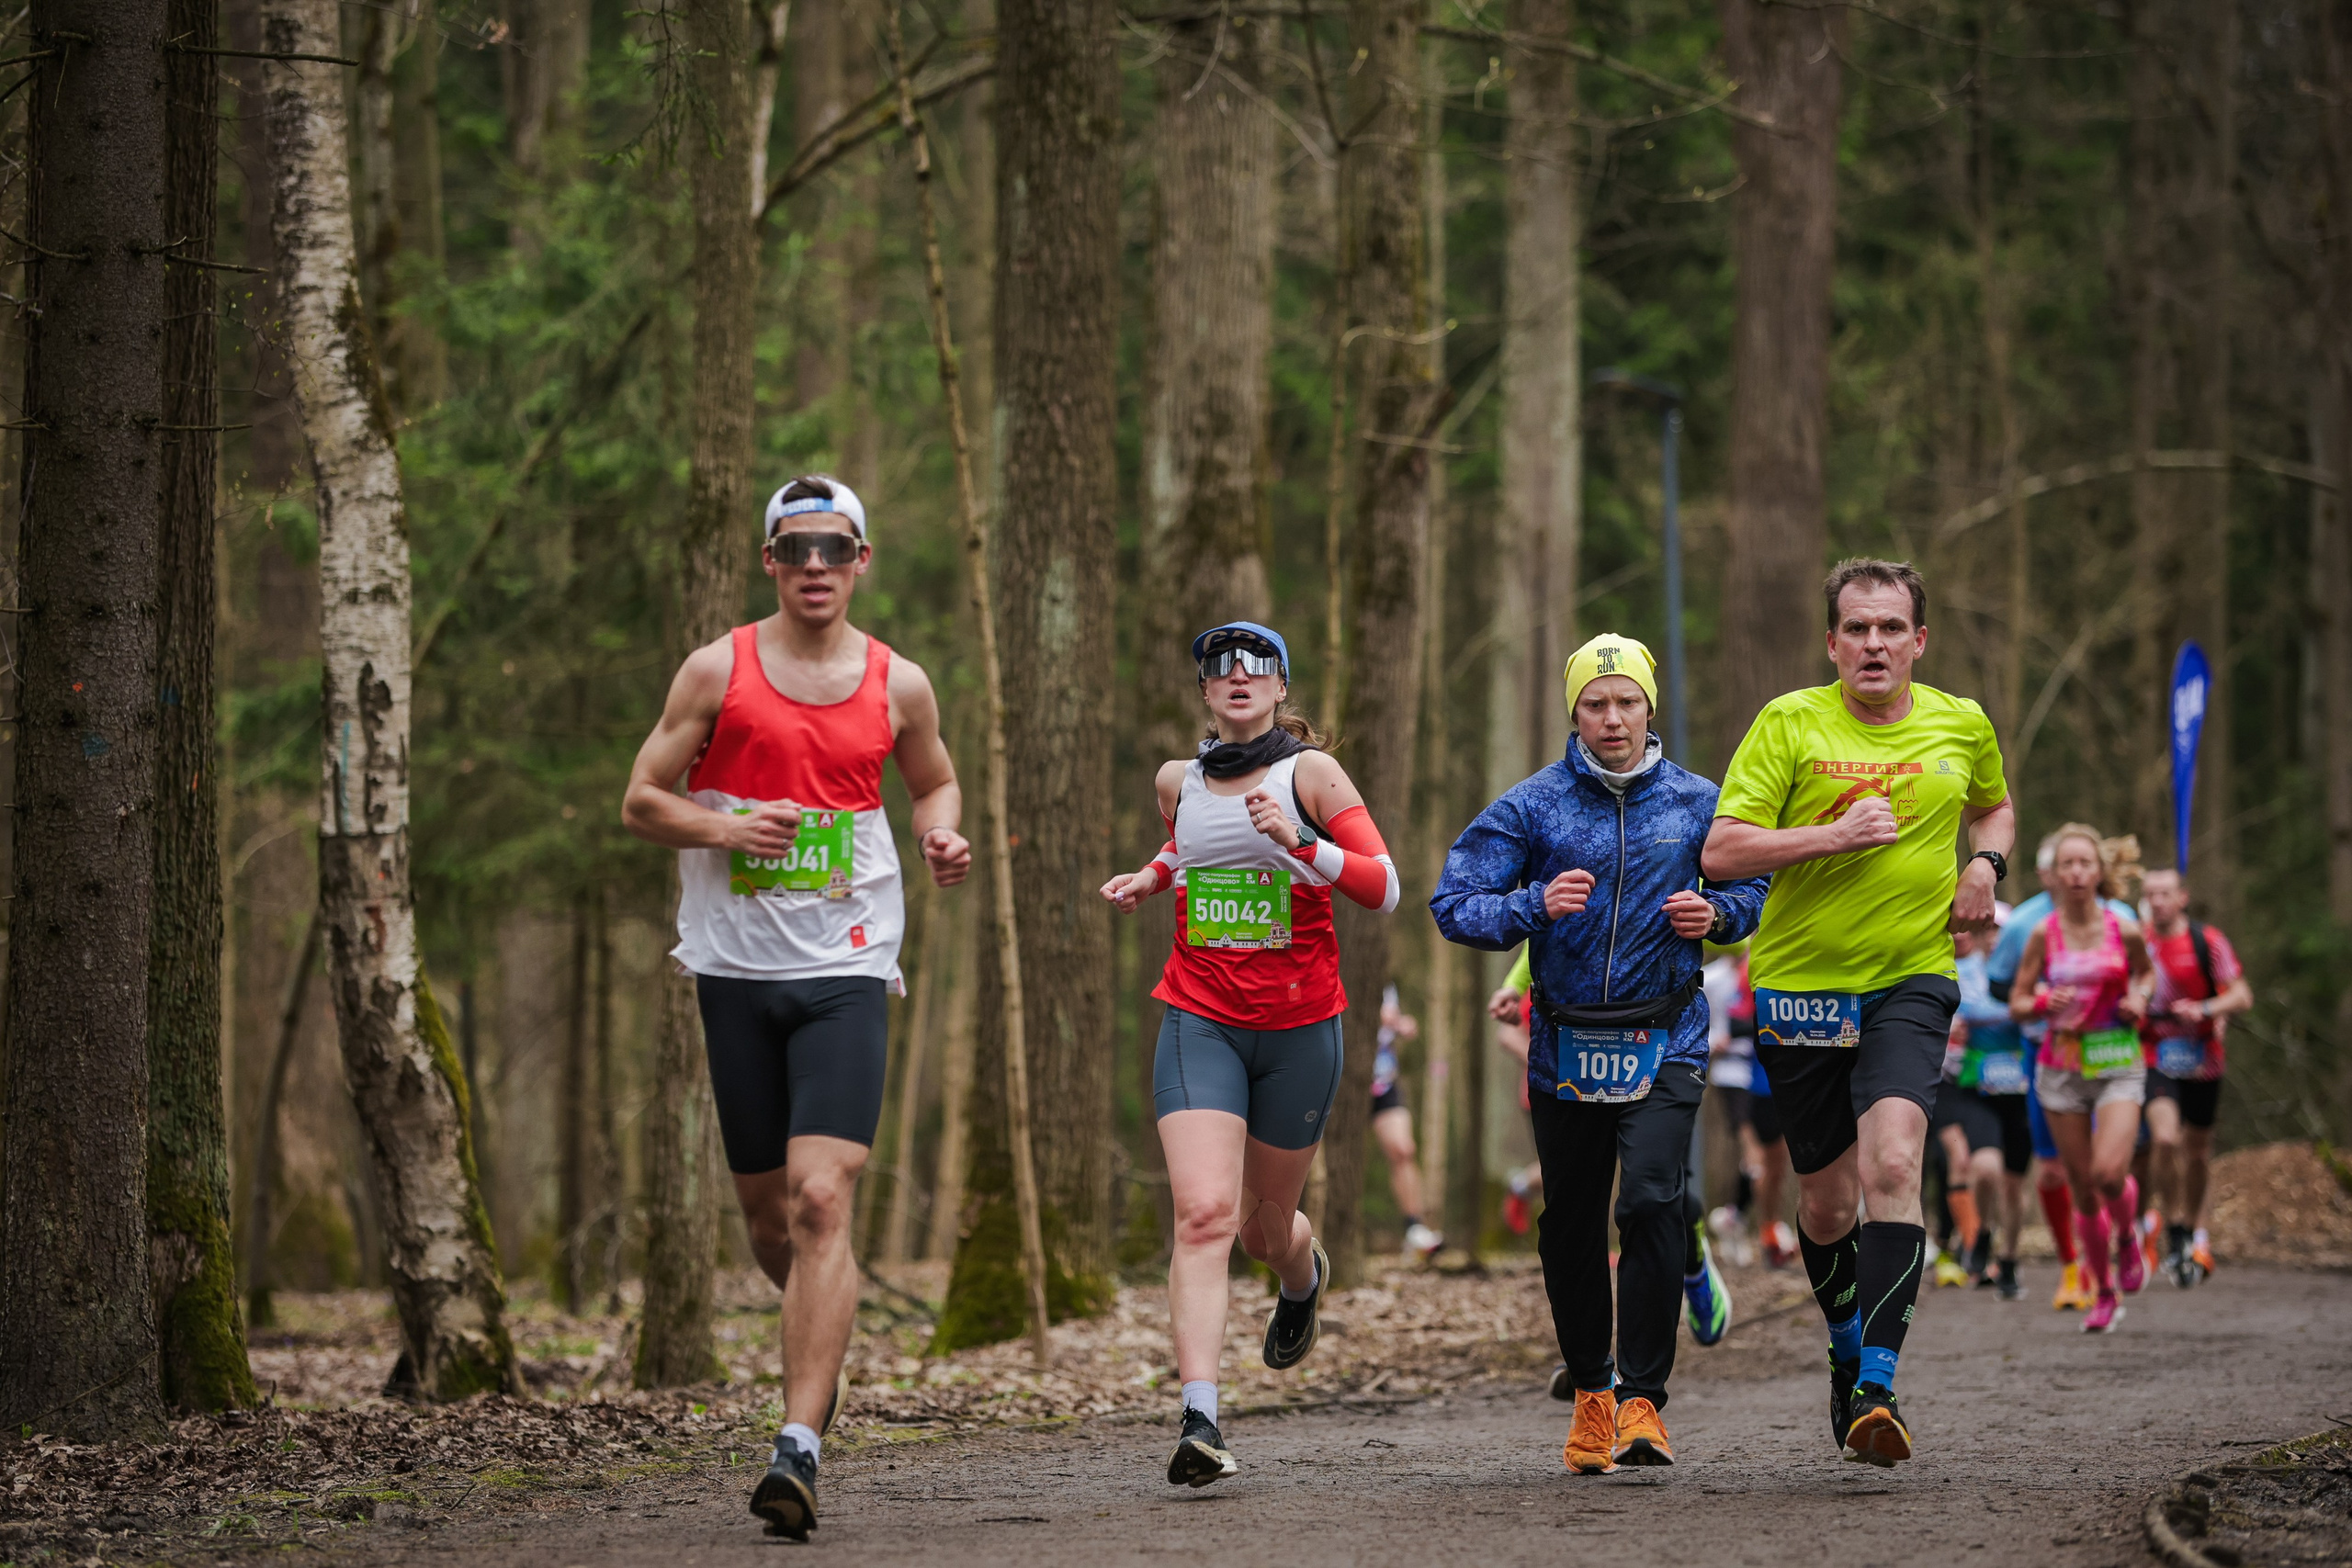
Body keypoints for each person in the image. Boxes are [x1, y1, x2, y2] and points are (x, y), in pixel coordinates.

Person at [620, 476, 971, 1540]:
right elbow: (641, 800)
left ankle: (797, 1444)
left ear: (862, 560)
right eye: (796, 549)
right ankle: (823, 1339)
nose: (815, 566)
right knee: (772, 1224)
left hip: (846, 965)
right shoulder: (715, 669)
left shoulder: (899, 682)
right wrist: (726, 831)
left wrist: (940, 831)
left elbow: (933, 780)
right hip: (733, 968)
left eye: (834, 548)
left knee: (823, 1200)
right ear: (770, 561)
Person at [1702, 558, 2015, 1469]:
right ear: (1831, 642)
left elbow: (1994, 808)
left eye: (1891, 628)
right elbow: (1722, 851)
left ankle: (1877, 1387)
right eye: (1857, 628)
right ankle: (1845, 1354)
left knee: (1894, 1163)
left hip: (1912, 979)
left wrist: (1984, 866)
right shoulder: (1789, 722)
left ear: (1919, 640)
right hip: (1800, 985)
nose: (1874, 644)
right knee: (1827, 1201)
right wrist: (1831, 836)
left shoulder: (1962, 722)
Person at [1435, 632, 1769, 1474]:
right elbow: (1453, 903)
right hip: (1565, 1040)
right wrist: (1534, 905)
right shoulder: (1534, 805)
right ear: (1574, 712)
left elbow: (1754, 883)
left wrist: (1719, 915)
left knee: (1652, 1198)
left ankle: (1643, 1401)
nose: (1612, 717)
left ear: (1649, 708)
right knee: (1571, 1222)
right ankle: (1592, 1390)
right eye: (1595, 703)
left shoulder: (1700, 801)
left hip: (1669, 1032)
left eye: (1627, 701)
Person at [1101, 620, 1400, 1488]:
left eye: (1257, 664)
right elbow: (1187, 845)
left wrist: (1302, 842)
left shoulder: (1311, 775)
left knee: (1267, 1232)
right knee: (1203, 1214)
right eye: (1220, 666)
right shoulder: (1178, 779)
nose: (1238, 675)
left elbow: (1384, 884)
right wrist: (1152, 876)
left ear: (1280, 685)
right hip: (1200, 1018)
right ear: (1204, 690)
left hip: (1300, 1028)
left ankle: (1302, 1276)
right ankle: (1199, 1418)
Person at [2007, 825, 2154, 1333]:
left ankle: (2128, 1237)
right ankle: (2104, 1291)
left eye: (2084, 864)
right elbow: (2018, 1000)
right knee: (2084, 1188)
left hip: (2117, 1062)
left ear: (2099, 871)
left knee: (2109, 1175)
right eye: (2066, 864)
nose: (2075, 873)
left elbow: (2146, 973)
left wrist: (2138, 998)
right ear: (2053, 874)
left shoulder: (2124, 929)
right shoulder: (2042, 934)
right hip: (2061, 1069)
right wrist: (2042, 1001)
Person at [2137, 867, 2251, 1286]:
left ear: (2182, 897)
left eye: (2165, 893)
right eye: (2151, 894)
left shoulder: (2208, 941)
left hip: (2203, 1058)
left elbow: (2241, 995)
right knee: (2165, 1139)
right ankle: (2174, 1227)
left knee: (2198, 1152)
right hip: (2154, 1054)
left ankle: (2196, 1230)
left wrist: (2206, 1010)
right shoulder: (2138, 941)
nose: (2158, 901)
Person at [1932, 921, 2030, 1299]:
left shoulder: (2031, 972)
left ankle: (2008, 1258)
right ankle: (1981, 1233)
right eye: (1990, 932)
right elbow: (1959, 1010)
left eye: (2002, 933)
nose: (1995, 939)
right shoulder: (1967, 971)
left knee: (2015, 1185)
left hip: (2023, 1090)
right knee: (1984, 1167)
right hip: (1976, 1089)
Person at [1372, 986, 1444, 1259]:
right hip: (1342, 1080)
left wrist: (1403, 1024)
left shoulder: (1386, 984)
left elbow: (1393, 1024)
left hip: (1383, 1082)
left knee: (1403, 1150)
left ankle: (1414, 1229)